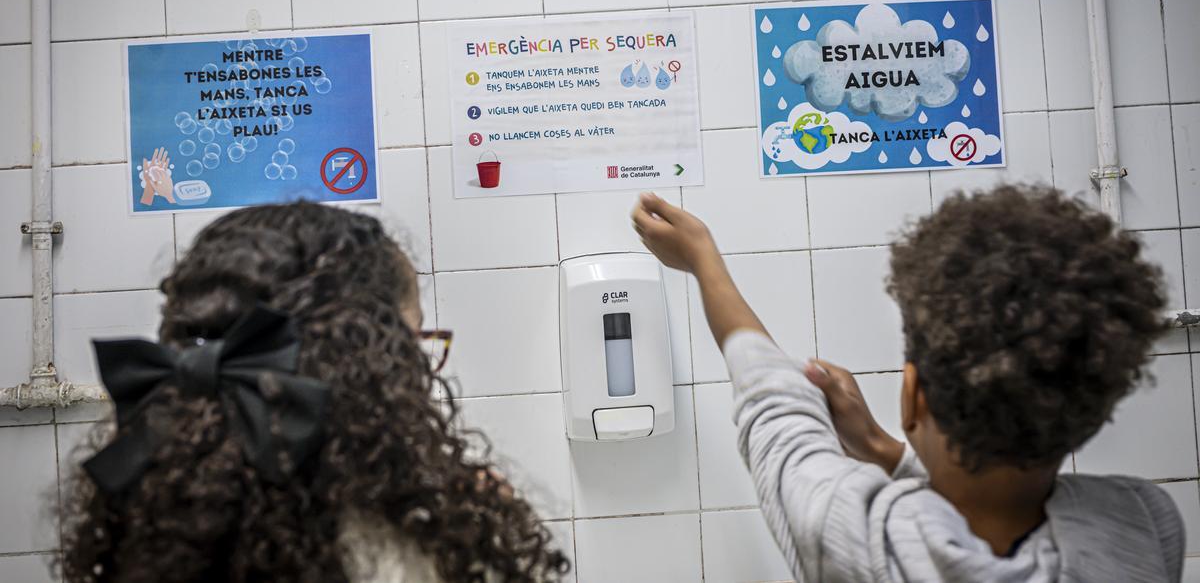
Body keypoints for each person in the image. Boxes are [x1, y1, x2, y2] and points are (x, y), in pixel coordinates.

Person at [632, 185, 1182, 582]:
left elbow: (774, 403)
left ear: (913, 395)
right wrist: (877, 446)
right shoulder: (1143, 524)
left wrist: (703, 259)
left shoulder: (859, 538)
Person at [58, 203, 570, 583]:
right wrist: (471, 529)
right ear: (371, 370)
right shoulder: (427, 551)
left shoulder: (141, 509)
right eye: (411, 345)